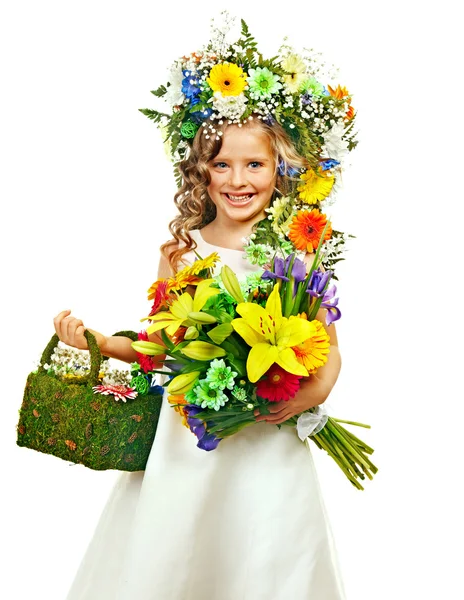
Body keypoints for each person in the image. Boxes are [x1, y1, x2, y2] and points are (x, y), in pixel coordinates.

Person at [53, 14, 354, 599]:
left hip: (267, 438)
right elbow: (159, 347)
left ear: (280, 172)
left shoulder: (294, 252)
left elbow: (330, 354)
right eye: (221, 164)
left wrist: (297, 399)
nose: (238, 180)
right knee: (181, 554)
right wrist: (94, 340)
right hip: (190, 439)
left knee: (267, 555)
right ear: (200, 172)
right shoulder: (183, 252)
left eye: (255, 165)